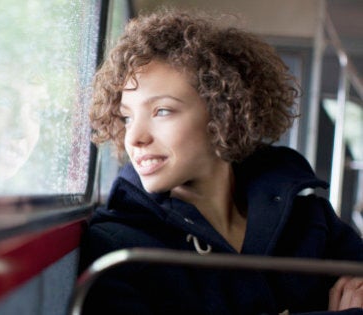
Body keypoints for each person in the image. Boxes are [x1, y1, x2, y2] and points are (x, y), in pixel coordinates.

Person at [80, 8, 363, 314]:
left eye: (162, 111)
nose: (133, 137)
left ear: (223, 112)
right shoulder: (118, 247)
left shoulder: (308, 218)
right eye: (126, 117)